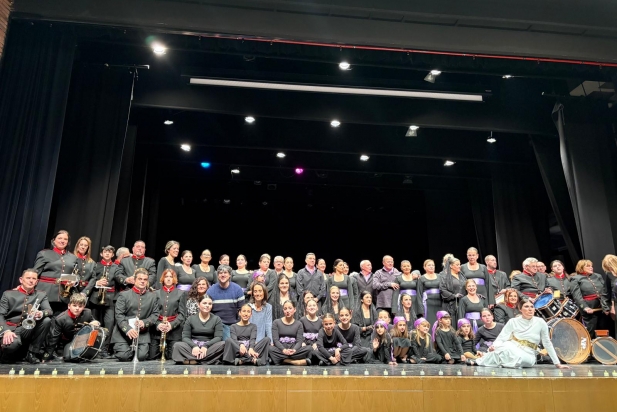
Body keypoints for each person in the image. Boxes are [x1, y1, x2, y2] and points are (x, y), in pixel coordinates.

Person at [475, 300, 569, 369]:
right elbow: (501, 338)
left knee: (519, 358)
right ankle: (481, 360)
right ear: (520, 309)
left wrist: (557, 363)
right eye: (526, 307)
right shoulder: (513, 321)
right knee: (504, 347)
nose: (530, 309)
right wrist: (493, 347)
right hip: (512, 347)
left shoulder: (540, 322)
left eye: (532, 307)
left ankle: (496, 362)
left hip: (528, 353)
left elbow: (547, 343)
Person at [0, 269, 52, 364]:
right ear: (21, 280)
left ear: (37, 282)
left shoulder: (41, 294)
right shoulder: (8, 294)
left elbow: (49, 311)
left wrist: (41, 313)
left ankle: (32, 353)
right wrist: (5, 331)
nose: (31, 280)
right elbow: (0, 314)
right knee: (11, 345)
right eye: (28, 278)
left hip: (28, 329)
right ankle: (7, 354)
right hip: (11, 329)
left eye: (34, 279)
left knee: (46, 320)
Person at [111, 268, 160, 361]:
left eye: (145, 279)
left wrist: (145, 322)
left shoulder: (153, 297)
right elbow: (119, 315)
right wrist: (128, 329)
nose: (142, 281)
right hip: (123, 333)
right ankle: (125, 349)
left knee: (141, 356)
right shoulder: (123, 295)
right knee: (123, 356)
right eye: (140, 279)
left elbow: (155, 314)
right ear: (134, 280)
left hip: (142, 334)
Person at [42, 293, 98, 362]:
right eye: (74, 306)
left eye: (80, 306)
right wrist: (47, 355)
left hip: (84, 340)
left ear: (84, 307)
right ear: (69, 306)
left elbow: (95, 322)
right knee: (68, 357)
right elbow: (53, 338)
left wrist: (96, 323)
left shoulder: (88, 312)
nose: (77, 308)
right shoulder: (61, 319)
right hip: (69, 341)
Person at [83, 245, 117, 358]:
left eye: (110, 252)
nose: (107, 254)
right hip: (95, 298)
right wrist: (97, 283)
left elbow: (119, 280)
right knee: (94, 324)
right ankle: (91, 347)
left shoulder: (116, 267)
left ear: (112, 255)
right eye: (105, 252)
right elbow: (91, 279)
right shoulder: (95, 265)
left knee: (109, 323)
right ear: (101, 254)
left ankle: (104, 349)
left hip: (110, 299)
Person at [33, 230, 78, 314]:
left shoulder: (73, 257)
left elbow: (76, 274)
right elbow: (35, 272)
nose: (62, 241)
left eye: (65, 239)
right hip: (45, 292)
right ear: (54, 240)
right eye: (60, 238)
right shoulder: (44, 254)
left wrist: (74, 281)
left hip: (64, 295)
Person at [171, 295, 225, 365]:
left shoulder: (217, 319)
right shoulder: (190, 319)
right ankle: (207, 361)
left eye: (210, 304)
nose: (207, 305)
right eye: (204, 303)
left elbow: (218, 337)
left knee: (224, 344)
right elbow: (185, 337)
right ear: (198, 304)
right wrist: (194, 346)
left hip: (209, 347)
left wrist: (206, 346)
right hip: (193, 347)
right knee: (177, 345)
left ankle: (193, 360)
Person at [148, 269, 186, 360]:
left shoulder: (181, 293)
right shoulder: (155, 293)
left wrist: (171, 325)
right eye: (166, 276)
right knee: (152, 356)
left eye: (171, 277)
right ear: (163, 279)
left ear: (174, 279)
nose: (168, 279)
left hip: (174, 330)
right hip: (157, 329)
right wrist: (158, 324)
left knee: (172, 357)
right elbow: (152, 313)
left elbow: (182, 314)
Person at [570, 259, 609, 338]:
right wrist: (585, 307)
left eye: (591, 266)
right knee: (591, 329)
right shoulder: (576, 279)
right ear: (581, 268)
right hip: (589, 307)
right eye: (588, 266)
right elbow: (577, 296)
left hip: (602, 305)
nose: (591, 268)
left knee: (604, 328)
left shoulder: (598, 276)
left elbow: (605, 291)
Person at [269, 300, 313, 365]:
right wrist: (284, 350)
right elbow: (276, 341)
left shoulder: (299, 324)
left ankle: (280, 360)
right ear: (283, 310)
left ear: (294, 309)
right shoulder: (276, 322)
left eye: (290, 308)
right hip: (281, 349)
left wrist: (294, 350)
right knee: (269, 348)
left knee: (309, 348)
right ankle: (293, 361)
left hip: (294, 350)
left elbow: (299, 341)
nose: (287, 311)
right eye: (285, 309)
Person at [208, 265, 245, 341]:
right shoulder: (211, 290)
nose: (223, 275)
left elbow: (241, 310)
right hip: (217, 325)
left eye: (225, 272)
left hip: (234, 324)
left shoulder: (237, 289)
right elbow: (208, 311)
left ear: (229, 275)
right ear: (217, 275)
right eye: (220, 273)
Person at [439, 256, 466, 321]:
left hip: (462, 303)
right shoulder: (445, 277)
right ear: (451, 266)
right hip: (451, 304)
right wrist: (454, 296)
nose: (459, 266)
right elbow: (442, 289)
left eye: (459, 264)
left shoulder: (462, 276)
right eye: (457, 265)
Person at [417, 259, 441, 325]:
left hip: (439, 304)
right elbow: (419, 294)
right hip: (428, 304)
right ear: (424, 267)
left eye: (433, 265)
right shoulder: (422, 278)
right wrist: (421, 309)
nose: (431, 266)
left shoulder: (439, 277)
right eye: (429, 265)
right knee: (429, 322)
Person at [602, 254, 617, 335]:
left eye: (610, 267)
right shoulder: (610, 274)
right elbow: (607, 292)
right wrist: (609, 307)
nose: (609, 270)